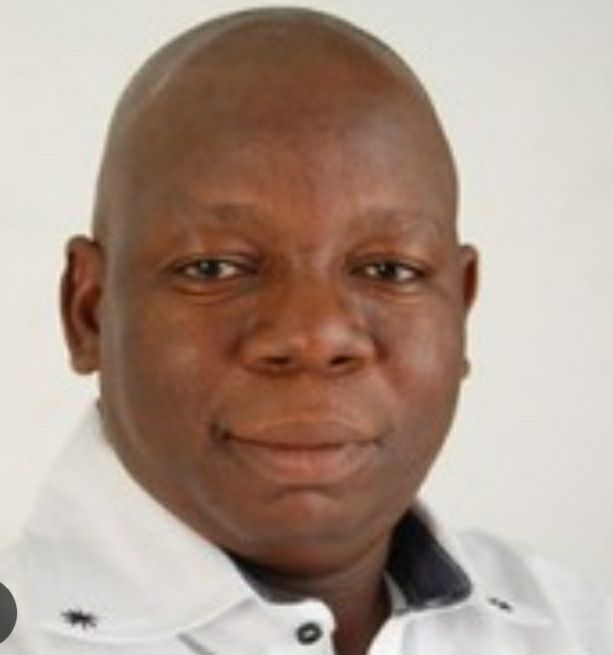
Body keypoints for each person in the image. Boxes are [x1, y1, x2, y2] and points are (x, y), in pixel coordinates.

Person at [0, 7, 610, 655]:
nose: (315, 336)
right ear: (89, 312)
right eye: (214, 268)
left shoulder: (577, 627)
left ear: (460, 310)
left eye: (388, 269)